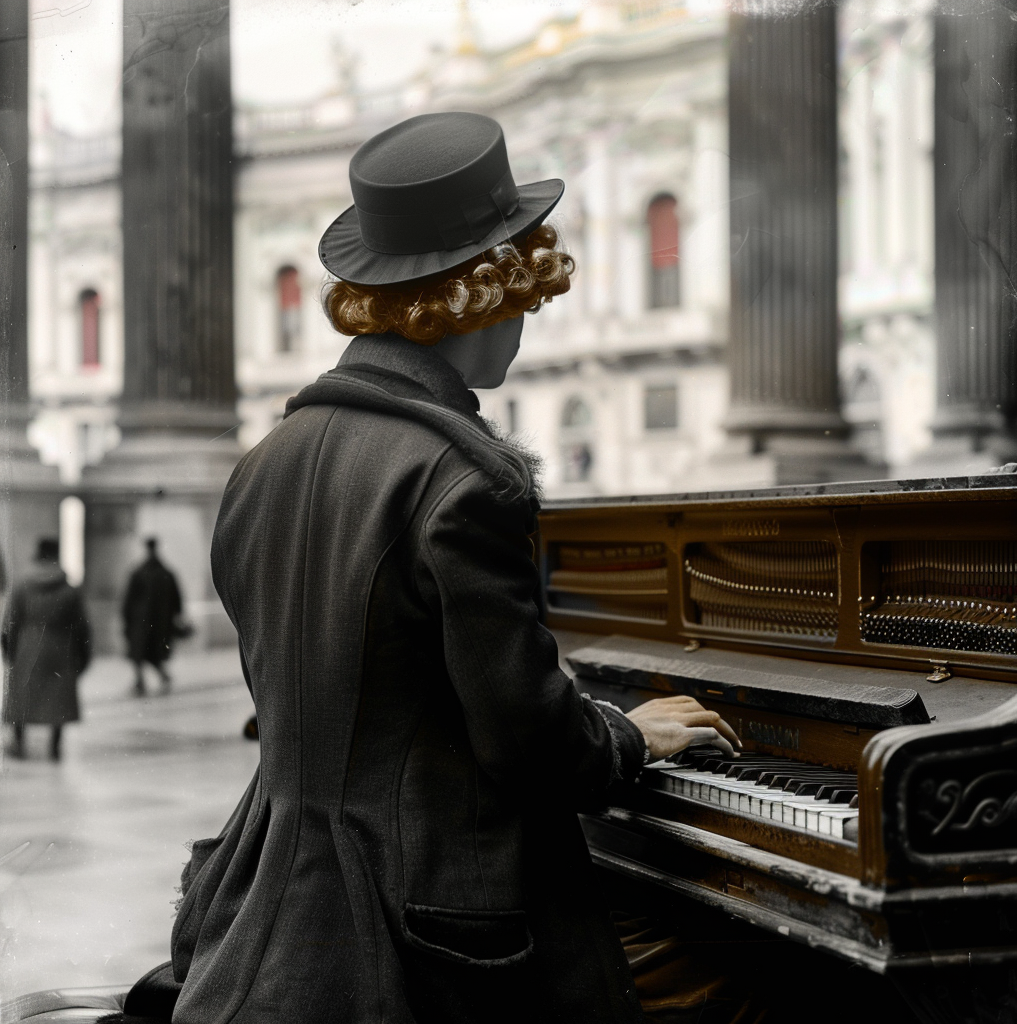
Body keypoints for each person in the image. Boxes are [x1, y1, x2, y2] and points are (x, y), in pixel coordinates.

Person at [120, 112, 739, 1024]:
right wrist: (630, 734)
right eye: (523, 297)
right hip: (435, 929)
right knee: (722, 984)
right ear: (477, 299)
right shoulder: (466, 479)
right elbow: (528, 740)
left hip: (266, 898)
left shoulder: (264, 464)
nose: (527, 321)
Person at [1, 537, 90, 761]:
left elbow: (9, 623)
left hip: (27, 647)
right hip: (60, 647)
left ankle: (18, 743)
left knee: (22, 695)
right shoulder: (69, 589)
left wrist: (9, 652)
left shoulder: (22, 586)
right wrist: (83, 657)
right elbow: (82, 627)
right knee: (58, 696)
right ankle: (55, 745)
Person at [122, 537, 184, 695]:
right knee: (147, 654)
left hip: (143, 622)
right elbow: (177, 599)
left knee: (143, 654)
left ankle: (144, 682)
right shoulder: (165, 573)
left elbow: (129, 600)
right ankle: (148, 680)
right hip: (155, 623)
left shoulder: (140, 572)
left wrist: (126, 618)